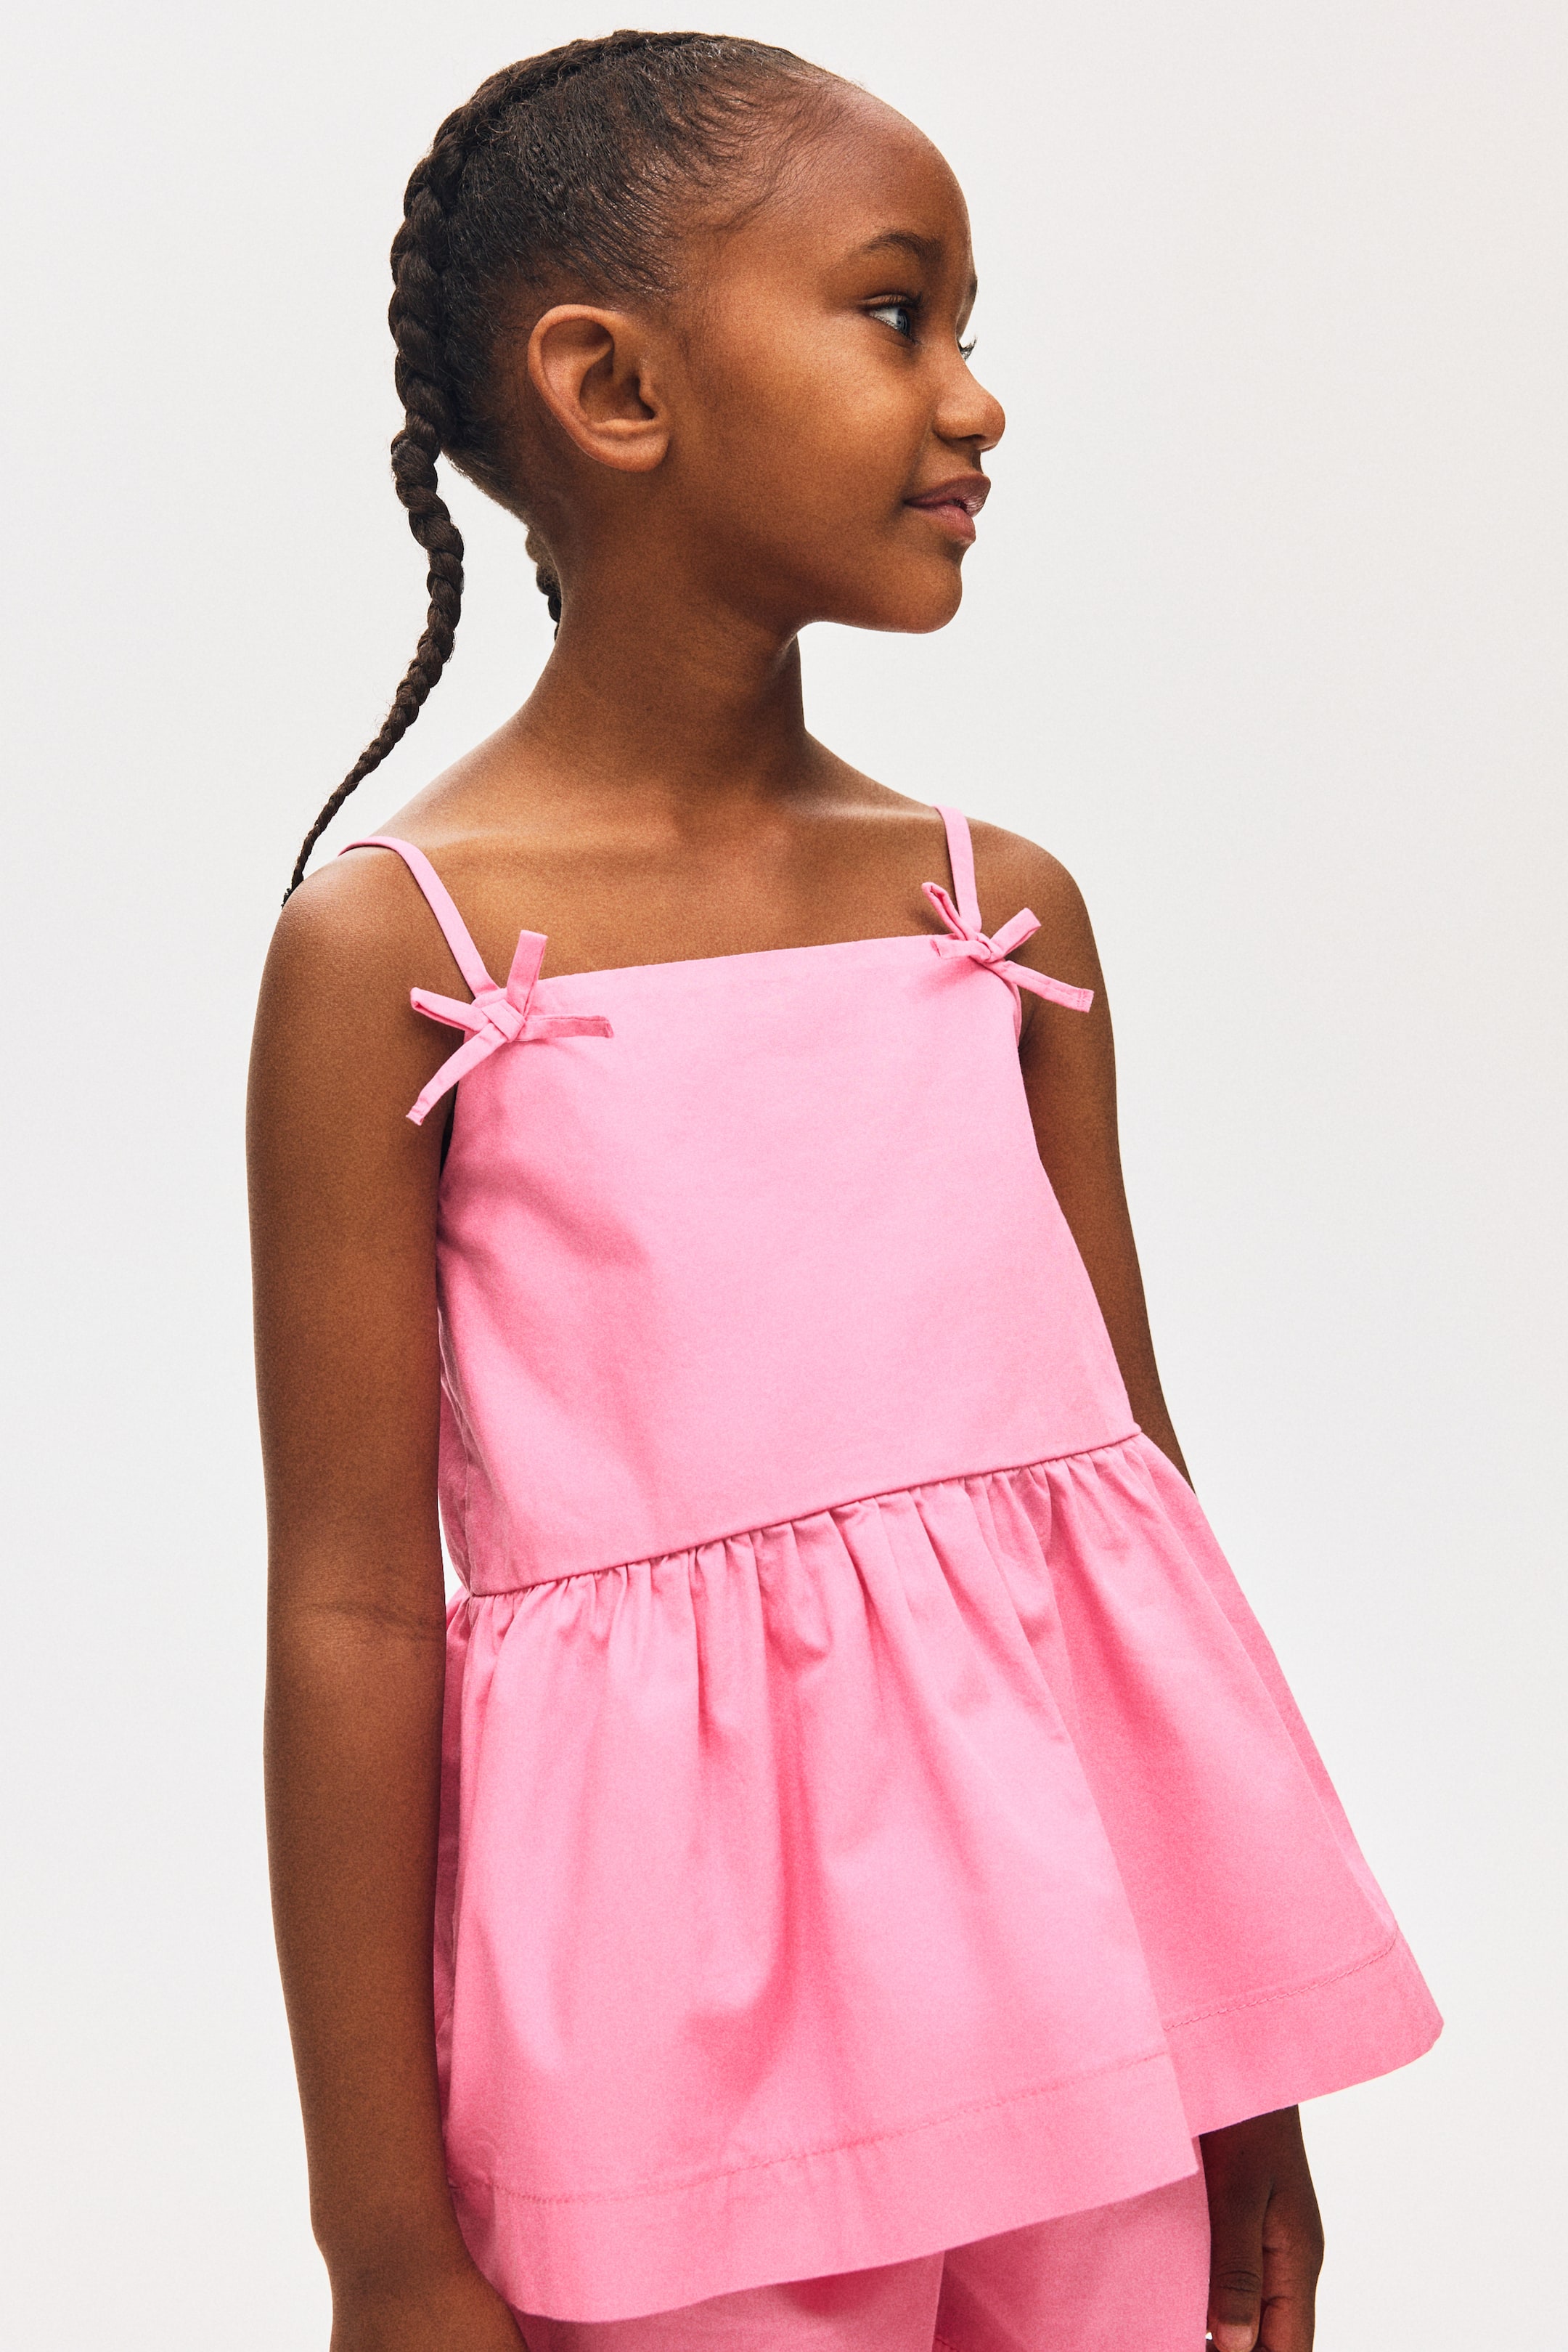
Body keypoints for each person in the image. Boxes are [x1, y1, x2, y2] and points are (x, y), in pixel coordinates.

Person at [248, 33, 1440, 2352]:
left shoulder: (998, 920)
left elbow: (1133, 1533)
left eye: (969, 327)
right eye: (898, 314)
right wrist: (382, 2244)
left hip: (1085, 2031)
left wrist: (1247, 2093)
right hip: (667, 2073)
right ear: (613, 384)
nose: (973, 401)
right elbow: (355, 1613)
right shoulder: (405, 958)